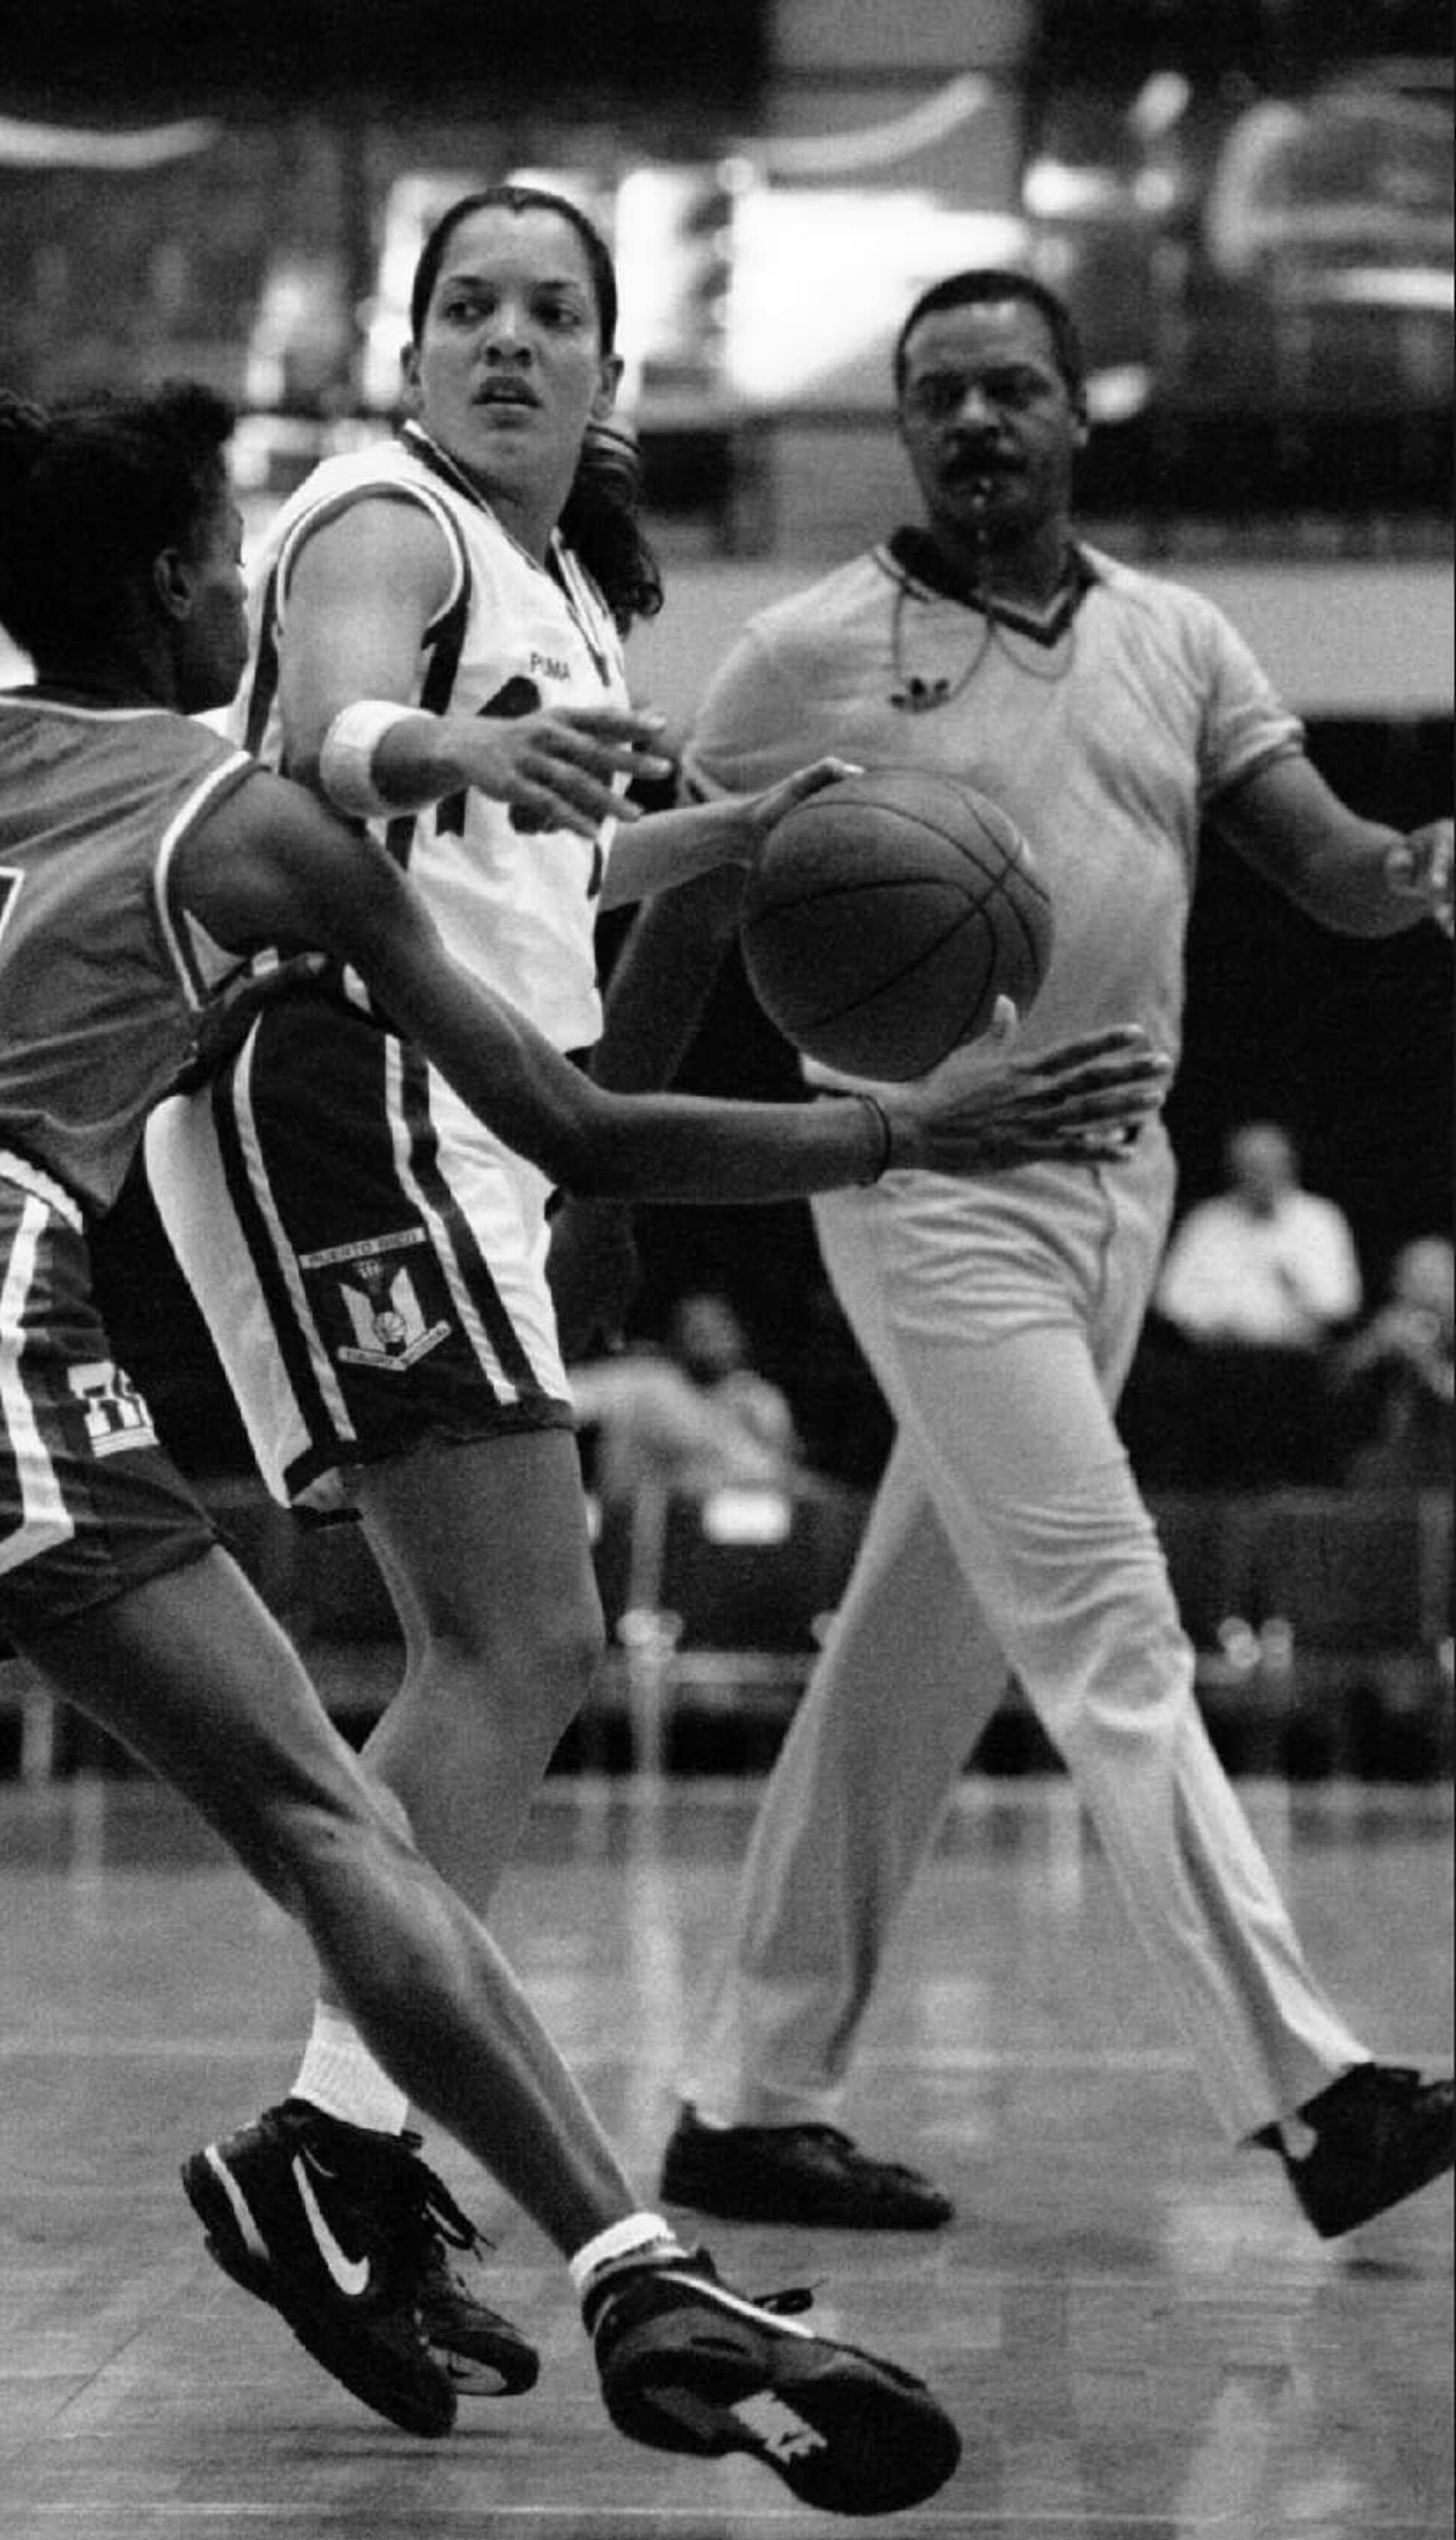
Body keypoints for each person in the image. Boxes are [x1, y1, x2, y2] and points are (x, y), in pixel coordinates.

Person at [0, 370, 1171, 2512]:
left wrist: (721, 840)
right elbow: (575, 1118)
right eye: (229, 556)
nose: (250, 581)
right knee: (330, 1813)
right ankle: (638, 2264)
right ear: (179, 585)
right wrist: (901, 1125)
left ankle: (474, 2211)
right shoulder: (252, 823)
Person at [138, 187, 1163, 2396]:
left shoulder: (564, 610)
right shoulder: (382, 517)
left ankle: (342, 2126)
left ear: (607, 370)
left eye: (554, 316)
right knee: (512, 1629)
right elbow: (325, 737)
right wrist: (447, 753)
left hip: (447, 1100)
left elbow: (532, 858)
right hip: (342, 1069)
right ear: (410, 356)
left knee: (520, 1635)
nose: (509, 342)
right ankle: (333, 2132)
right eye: (469, 309)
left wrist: (706, 840)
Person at [549, 267, 1455, 2244]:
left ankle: (744, 2096)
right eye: (941, 394)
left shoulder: (1177, 634)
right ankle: (1311, 2089)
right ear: (905, 426)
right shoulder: (803, 654)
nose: (977, 422)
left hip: (1118, 1179)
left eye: (1012, 389)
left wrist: (1422, 870)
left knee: (921, 1648)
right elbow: (687, 921)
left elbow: (1331, 862)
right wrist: (596, 1169)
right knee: (1112, 1623)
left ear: (1072, 417)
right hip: (927, 1178)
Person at [1150, 1119, 1361, 1484]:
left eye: (1268, 1165)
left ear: (1289, 1164)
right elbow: (1171, 1299)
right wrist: (1217, 1323)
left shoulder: (1320, 1219)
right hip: (1221, 1359)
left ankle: (1300, 1489)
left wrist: (1298, 1288)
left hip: (1296, 1362)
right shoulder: (1208, 1221)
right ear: (1233, 1169)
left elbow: (1341, 1302)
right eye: (1249, 1166)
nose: (1259, 1175)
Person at [570, 1285, 807, 1502]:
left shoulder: (760, 1398)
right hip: (633, 1521)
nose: (707, 1340)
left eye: (717, 1329)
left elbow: (783, 1474)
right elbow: (562, 1399)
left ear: (738, 1338)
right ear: (676, 1338)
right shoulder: (644, 1381)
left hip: (729, 1531)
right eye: (697, 1330)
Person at [1329, 1232, 1455, 1491]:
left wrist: (1423, 1359)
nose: (1423, 1288)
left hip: (1448, 1451)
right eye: (1412, 1276)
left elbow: (1447, 1392)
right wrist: (1371, 1346)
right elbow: (1335, 1382)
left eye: (1433, 1277)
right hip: (1400, 1452)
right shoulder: (1392, 1324)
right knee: (1369, 1471)